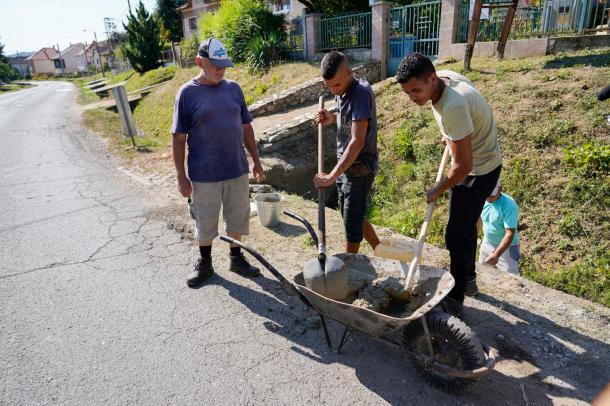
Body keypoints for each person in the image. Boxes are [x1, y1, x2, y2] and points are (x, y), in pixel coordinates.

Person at [396, 53, 502, 316]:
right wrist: (453, 139)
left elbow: (463, 168)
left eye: (417, 91)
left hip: (478, 171)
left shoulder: (453, 105)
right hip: (480, 160)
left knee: (456, 235)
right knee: (465, 228)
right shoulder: (447, 79)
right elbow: (465, 125)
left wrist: (437, 189)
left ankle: (455, 300)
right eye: (408, 93)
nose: (413, 98)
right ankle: (470, 281)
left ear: (432, 78)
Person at [171, 37, 264, 287]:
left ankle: (236, 258)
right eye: (215, 64)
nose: (221, 69)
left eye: (224, 64)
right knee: (205, 220)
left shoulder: (234, 89)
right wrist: (181, 175)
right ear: (199, 62)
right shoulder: (187, 93)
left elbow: (246, 127)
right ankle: (206, 263)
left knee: (237, 218)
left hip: (236, 168)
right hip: (204, 173)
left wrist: (256, 160)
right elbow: (178, 138)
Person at [313, 51, 380, 254]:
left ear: (350, 73)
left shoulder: (360, 93)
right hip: (346, 166)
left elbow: (357, 141)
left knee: (352, 223)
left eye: (337, 85)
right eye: (329, 87)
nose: (334, 91)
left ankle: (350, 270)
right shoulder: (342, 91)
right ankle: (380, 249)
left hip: (359, 168)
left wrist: (331, 177)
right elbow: (347, 119)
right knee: (351, 214)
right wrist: (331, 117)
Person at [479, 181, 520, 275]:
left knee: (512, 279)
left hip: (506, 248)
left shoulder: (509, 205)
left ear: (500, 189)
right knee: (483, 273)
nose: (489, 198)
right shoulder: (482, 198)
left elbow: (510, 233)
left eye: (492, 195)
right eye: (487, 195)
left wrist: (496, 254)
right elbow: (479, 220)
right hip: (487, 243)